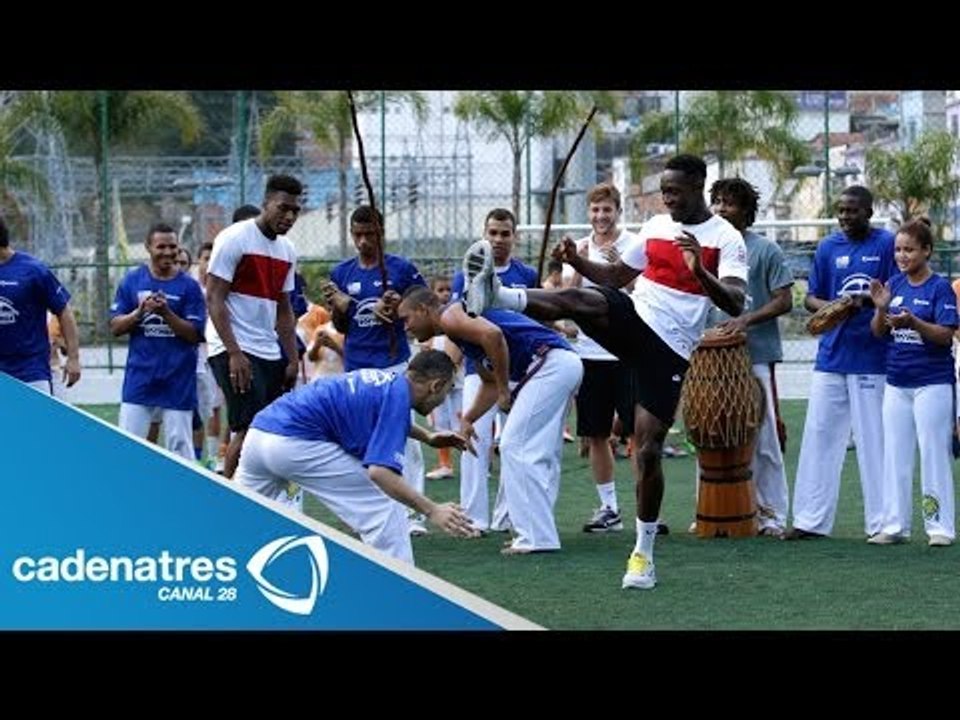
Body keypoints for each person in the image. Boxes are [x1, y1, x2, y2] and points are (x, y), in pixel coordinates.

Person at [462, 154, 747, 588]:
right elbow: (614, 275)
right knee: (582, 300)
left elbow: (734, 302)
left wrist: (700, 272)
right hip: (635, 317)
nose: (668, 199)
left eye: (676, 191)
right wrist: (577, 263)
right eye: (663, 191)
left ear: (698, 186)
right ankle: (496, 294)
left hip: (669, 350)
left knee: (647, 451)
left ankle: (642, 555)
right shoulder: (655, 227)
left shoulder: (726, 238)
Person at [236, 349, 477, 564]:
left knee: (239, 519)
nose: (444, 398)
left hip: (258, 435)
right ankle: (400, 595)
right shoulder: (398, 397)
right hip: (293, 443)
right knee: (384, 503)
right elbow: (380, 472)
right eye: (447, 390)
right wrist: (432, 509)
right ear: (435, 386)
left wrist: (427, 436)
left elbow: (377, 412)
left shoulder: (389, 383)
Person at [398, 285, 583, 554]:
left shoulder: (450, 317)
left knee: (514, 446)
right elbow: (490, 383)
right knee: (534, 451)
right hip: (559, 363)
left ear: (424, 309)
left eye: (407, 318)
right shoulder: (458, 331)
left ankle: (536, 537)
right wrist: (469, 418)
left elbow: (494, 336)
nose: (406, 327)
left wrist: (506, 388)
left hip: (549, 362)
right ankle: (536, 533)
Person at [784, 186, 896, 541]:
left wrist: (864, 300)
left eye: (853, 210)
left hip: (873, 358)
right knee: (819, 436)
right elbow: (811, 298)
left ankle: (883, 524)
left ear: (869, 211)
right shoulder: (828, 247)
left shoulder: (887, 244)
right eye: (841, 211)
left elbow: (894, 294)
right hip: (831, 357)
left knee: (874, 442)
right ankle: (810, 521)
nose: (846, 217)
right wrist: (836, 306)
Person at [322, 205, 429, 534]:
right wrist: (340, 307)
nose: (363, 241)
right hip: (357, 366)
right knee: (357, 438)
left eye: (370, 234)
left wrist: (397, 307)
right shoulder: (341, 273)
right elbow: (342, 325)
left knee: (404, 435)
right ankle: (368, 512)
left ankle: (413, 516)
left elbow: (422, 308)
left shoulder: (401, 269)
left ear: (381, 232)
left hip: (395, 363)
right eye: (357, 234)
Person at [708, 178, 794, 537]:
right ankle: (719, 511)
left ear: (746, 209)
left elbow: (785, 300)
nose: (721, 209)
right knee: (714, 435)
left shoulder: (765, 250)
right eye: (717, 202)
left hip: (756, 356)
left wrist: (746, 318)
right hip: (712, 361)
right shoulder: (706, 247)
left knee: (766, 438)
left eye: (729, 203)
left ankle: (771, 514)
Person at [866, 218, 956, 546]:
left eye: (910, 249)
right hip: (897, 384)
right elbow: (878, 332)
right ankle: (894, 525)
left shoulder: (939, 288)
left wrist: (914, 322)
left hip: (931, 384)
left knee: (933, 453)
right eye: (898, 250)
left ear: (927, 251)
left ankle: (939, 528)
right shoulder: (894, 284)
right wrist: (880, 309)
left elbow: (945, 336)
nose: (902, 256)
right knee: (895, 454)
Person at [205, 175, 302, 478]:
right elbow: (214, 298)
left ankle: (259, 498)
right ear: (266, 203)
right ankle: (228, 500)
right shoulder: (234, 238)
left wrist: (292, 358)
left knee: (270, 432)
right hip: (232, 348)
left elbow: (284, 310)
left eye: (294, 211)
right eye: (282, 208)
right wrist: (234, 353)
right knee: (247, 429)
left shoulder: (287, 250)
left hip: (268, 350)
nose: (288, 216)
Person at [450, 208, 539, 534]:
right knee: (474, 439)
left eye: (505, 233)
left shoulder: (527, 275)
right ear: (484, 235)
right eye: (493, 233)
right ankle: (473, 519)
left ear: (515, 236)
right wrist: (450, 366)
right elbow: (460, 324)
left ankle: (507, 516)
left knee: (514, 443)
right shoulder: (466, 273)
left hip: (520, 371)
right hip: (481, 373)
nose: (499, 240)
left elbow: (535, 318)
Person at [560, 182, 640, 534]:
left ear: (618, 212)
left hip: (629, 351)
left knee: (640, 432)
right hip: (590, 354)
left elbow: (645, 294)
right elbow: (569, 295)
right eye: (595, 210)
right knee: (595, 433)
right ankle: (610, 509)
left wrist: (619, 272)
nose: (600, 216)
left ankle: (646, 509)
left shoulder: (634, 245)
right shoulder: (579, 247)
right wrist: (578, 262)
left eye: (607, 209)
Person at [109, 223, 206, 461]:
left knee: (180, 449)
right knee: (128, 446)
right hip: (140, 378)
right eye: (161, 246)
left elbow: (195, 334)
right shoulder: (132, 281)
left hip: (178, 379)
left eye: (172, 246)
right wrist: (139, 312)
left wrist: (167, 314)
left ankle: (183, 495)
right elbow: (115, 327)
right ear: (148, 248)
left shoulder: (189, 287)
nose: (167, 252)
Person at [0, 217, 81, 395]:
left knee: (33, 423)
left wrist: (73, 358)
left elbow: (64, 311)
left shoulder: (33, 270)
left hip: (31, 372)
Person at [422, 274, 461, 481]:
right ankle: (445, 464)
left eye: (448, 290)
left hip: (458, 379)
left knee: (462, 419)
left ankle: (480, 462)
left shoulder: (458, 314)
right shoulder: (431, 320)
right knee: (441, 422)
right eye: (440, 290)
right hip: (437, 379)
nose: (445, 294)